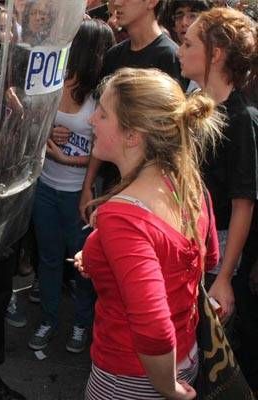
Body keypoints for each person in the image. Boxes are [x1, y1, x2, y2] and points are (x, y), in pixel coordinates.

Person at [76, 67, 222, 399]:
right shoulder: (189, 184)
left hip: (130, 378)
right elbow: (207, 256)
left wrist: (166, 387)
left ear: (133, 135)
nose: (91, 121)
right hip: (186, 356)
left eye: (103, 113)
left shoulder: (121, 218)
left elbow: (153, 328)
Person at [177, 7, 258, 393]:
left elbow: (244, 204)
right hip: (185, 242)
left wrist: (224, 278)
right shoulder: (192, 100)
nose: (180, 47)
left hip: (216, 255)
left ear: (217, 53)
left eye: (189, 42)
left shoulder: (242, 120)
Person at [28, 19, 115, 353]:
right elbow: (31, 121)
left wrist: (70, 164)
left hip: (79, 194)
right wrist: (46, 131)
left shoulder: (100, 95)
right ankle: (48, 318)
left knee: (83, 264)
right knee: (49, 260)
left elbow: (101, 153)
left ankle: (80, 324)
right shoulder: (52, 81)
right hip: (45, 188)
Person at [79, 0, 182, 222]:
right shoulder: (114, 55)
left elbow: (172, 141)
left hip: (148, 201)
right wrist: (88, 183)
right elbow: (100, 123)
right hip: (109, 185)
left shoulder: (169, 57)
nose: (116, 2)